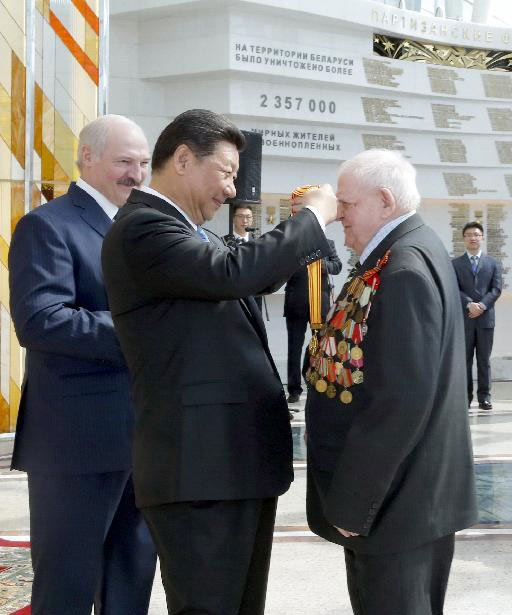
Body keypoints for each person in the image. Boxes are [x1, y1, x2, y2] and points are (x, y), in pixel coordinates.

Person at [101, 109, 336, 614]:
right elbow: (232, 272)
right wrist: (309, 219)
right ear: (184, 158)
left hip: (228, 466)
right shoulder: (144, 228)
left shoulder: (186, 231)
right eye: (227, 173)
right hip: (198, 472)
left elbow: (249, 277)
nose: (231, 190)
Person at [304, 149, 477, 615]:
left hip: (396, 506)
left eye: (346, 204)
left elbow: (399, 402)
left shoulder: (402, 269)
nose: (339, 215)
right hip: (403, 499)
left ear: (383, 200)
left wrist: (354, 505)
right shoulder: (404, 250)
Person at [8, 114, 157, 615]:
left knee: (131, 582)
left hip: (144, 440)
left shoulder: (140, 228)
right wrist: (146, 330)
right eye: (123, 161)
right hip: (74, 442)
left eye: (141, 163)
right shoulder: (46, 225)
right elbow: (42, 321)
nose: (135, 174)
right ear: (86, 158)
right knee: (67, 588)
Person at [284, 186, 343, 404]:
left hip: (321, 304)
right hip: (296, 304)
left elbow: (337, 265)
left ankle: (313, 379)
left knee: (317, 345)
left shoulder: (327, 244)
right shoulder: (291, 243)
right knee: (294, 346)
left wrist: (321, 264)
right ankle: (293, 389)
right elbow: (281, 269)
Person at [453, 221, 503, 410]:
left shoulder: (493, 263)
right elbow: (454, 288)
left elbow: (496, 289)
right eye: (469, 235)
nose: (473, 238)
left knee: (484, 360)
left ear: (482, 238)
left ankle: (485, 397)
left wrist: (482, 305)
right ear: (464, 239)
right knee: (464, 360)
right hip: (465, 319)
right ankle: (464, 397)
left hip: (485, 320)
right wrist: (469, 304)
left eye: (476, 234)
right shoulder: (455, 264)